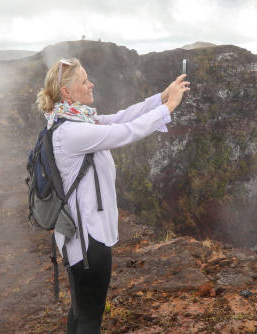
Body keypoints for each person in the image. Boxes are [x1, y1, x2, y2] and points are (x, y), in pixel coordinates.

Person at [35, 57, 190, 333]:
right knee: (90, 318)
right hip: (88, 241)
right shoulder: (72, 132)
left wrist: (160, 97)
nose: (91, 83)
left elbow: (121, 116)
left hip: (78, 237)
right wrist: (169, 107)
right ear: (67, 92)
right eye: (84, 81)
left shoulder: (72, 120)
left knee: (81, 310)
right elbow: (125, 131)